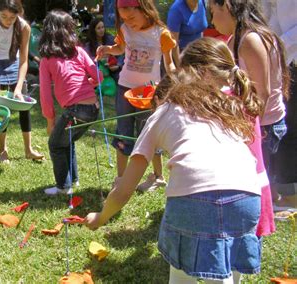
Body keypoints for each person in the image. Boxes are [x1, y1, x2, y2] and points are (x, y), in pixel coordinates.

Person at [86, 38, 264, 282]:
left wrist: (101, 217)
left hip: (195, 200)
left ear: (160, 98)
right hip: (248, 196)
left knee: (182, 276)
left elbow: (124, 190)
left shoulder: (162, 112)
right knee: (224, 267)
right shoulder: (222, 106)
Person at [179, 37, 274, 236]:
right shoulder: (241, 94)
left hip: (237, 192)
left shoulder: (216, 104)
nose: (184, 83)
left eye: (186, 76)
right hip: (256, 188)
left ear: (202, 73)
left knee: (228, 254)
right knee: (246, 256)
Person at [210, 0, 292, 215]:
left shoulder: (251, 40)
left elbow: (262, 94)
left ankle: (261, 212)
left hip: (263, 125)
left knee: (256, 177)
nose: (212, 20)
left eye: (213, 12)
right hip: (253, 121)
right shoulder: (236, 39)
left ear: (227, 7)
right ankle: (264, 206)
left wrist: (247, 131)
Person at [96, 0, 176, 191]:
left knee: (149, 133)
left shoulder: (161, 33)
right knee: (123, 132)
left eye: (132, 17)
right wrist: (108, 49)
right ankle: (121, 179)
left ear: (145, 10)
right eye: (124, 19)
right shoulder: (125, 29)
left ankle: (158, 177)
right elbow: (120, 48)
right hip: (125, 88)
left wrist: (176, 78)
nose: (129, 22)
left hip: (149, 93)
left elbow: (169, 63)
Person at [39, 10, 101, 195]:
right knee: (68, 140)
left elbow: (45, 94)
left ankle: (63, 187)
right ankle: (72, 179)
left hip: (75, 110)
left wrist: (50, 120)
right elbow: (98, 76)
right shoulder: (79, 51)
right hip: (93, 109)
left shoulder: (46, 59)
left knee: (56, 144)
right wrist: (90, 83)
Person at [0, 0, 44, 163]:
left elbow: (24, 60)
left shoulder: (24, 27)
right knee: (1, 109)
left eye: (12, 17)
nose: (7, 21)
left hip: (15, 62)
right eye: (4, 16)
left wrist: (18, 87)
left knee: (23, 106)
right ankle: (3, 149)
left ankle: (28, 149)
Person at [262, 0, 297, 214]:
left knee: (289, 129)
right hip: (281, 62)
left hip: (287, 56)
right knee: (282, 127)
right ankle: (282, 191)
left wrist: (277, 45)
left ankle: (289, 196)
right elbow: (268, 15)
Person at [167, 0, 208, 65]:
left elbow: (200, 29)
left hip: (198, 52)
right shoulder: (176, 10)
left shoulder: (202, 2)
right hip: (182, 55)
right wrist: (179, 66)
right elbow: (173, 44)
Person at [84, 17, 122, 82]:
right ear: (93, 30)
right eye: (98, 28)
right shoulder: (89, 45)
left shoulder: (111, 39)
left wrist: (118, 65)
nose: (102, 30)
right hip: (98, 73)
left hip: (113, 72)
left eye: (103, 27)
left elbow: (121, 54)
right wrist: (99, 59)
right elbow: (87, 61)